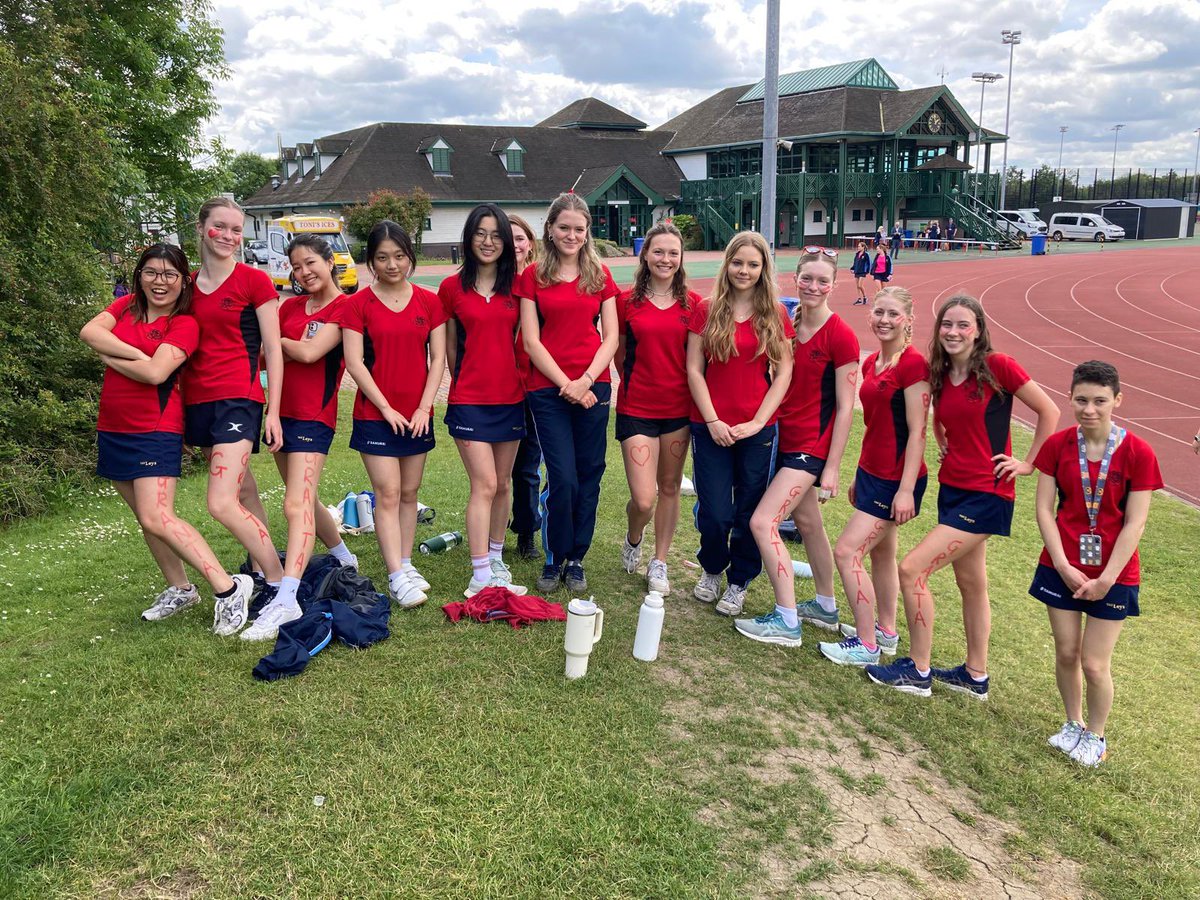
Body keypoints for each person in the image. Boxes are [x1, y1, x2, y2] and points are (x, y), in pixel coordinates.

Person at [866, 295, 1059, 699]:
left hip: (986, 494)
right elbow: (935, 418)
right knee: (971, 583)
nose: (953, 332)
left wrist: (1028, 463)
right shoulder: (939, 372)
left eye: (962, 325)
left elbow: (1050, 411)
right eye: (946, 325)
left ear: (978, 329)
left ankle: (917, 670)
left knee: (912, 569)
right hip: (953, 488)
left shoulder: (997, 366)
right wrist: (942, 441)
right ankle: (975, 675)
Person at [80, 244, 254, 627]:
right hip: (113, 425)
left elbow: (159, 375)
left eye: (169, 275)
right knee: (145, 519)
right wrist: (141, 357)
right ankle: (181, 589)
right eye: (151, 273)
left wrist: (113, 357)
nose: (160, 282)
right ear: (139, 275)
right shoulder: (124, 306)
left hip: (154, 428)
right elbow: (89, 331)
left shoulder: (185, 323)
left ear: (182, 280)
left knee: (157, 515)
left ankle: (228, 589)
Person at [1031, 361, 1161, 767]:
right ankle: (1072, 723)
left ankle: (1097, 736)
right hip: (1061, 566)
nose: (1090, 409)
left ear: (1117, 401)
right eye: (1082, 400)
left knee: (1094, 662)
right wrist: (1063, 564)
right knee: (1067, 652)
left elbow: (1136, 522)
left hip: (1115, 575)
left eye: (1100, 401)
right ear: (1070, 398)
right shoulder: (1057, 446)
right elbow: (1044, 511)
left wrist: (1106, 578)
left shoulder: (1138, 452)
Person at [733, 247, 857, 639]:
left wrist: (832, 466)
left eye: (823, 281)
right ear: (796, 278)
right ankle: (824, 604)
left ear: (834, 285)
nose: (814, 286)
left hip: (810, 448)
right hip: (783, 438)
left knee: (762, 521)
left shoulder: (841, 336)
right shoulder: (787, 321)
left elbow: (846, 405)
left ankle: (786, 619)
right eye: (807, 278)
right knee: (807, 523)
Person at [241, 234, 357, 641]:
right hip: (280, 415)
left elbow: (311, 353)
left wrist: (280, 345)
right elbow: (261, 353)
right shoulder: (288, 306)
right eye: (295, 266)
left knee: (295, 503)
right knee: (304, 498)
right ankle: (344, 557)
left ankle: (286, 597)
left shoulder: (346, 307)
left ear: (330, 261)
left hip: (313, 416)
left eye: (310, 262)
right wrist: (280, 347)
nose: (304, 272)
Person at [182, 197, 284, 634]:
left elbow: (274, 351)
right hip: (199, 404)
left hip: (238, 400)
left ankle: (281, 584)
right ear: (201, 228)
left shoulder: (254, 281)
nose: (228, 237)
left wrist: (273, 410)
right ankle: (264, 572)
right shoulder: (185, 285)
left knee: (220, 502)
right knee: (243, 492)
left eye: (236, 230)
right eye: (219, 227)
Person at [818, 287, 930, 665]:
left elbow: (917, 432)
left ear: (908, 320)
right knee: (883, 555)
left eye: (893, 314)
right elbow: (875, 426)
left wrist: (905, 490)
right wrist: (858, 476)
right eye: (879, 312)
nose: (884, 320)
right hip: (872, 473)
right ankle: (886, 631)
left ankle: (866, 645)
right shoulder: (873, 364)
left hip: (896, 480)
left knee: (847, 551)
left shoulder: (914, 365)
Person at [516, 193, 620, 594]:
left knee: (589, 475)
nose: (571, 235)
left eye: (579, 228)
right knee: (562, 478)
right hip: (549, 390)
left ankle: (576, 558)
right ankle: (552, 556)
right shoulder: (533, 277)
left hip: (594, 388)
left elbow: (610, 337)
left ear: (587, 231)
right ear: (551, 228)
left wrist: (587, 381)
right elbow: (531, 341)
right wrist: (567, 385)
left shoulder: (600, 275)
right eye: (564, 227)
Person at [342, 220, 447, 609]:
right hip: (375, 414)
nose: (392, 265)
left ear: (410, 257)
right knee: (386, 492)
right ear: (370, 261)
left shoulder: (429, 300)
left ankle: (405, 562)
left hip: (416, 414)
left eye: (399, 256)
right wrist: (385, 408)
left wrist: (423, 407)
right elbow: (355, 362)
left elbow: (437, 360)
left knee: (408, 493)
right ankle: (395, 575)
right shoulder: (358, 305)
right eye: (383, 257)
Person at [687, 231, 794, 614]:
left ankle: (739, 581)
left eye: (753, 264)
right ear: (726, 264)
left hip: (757, 431)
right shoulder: (706, 308)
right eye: (737, 262)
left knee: (749, 511)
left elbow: (783, 374)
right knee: (715, 512)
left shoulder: (775, 314)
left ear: (764, 268)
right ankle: (712, 569)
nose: (744, 271)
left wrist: (757, 422)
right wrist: (713, 419)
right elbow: (694, 370)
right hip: (710, 427)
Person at [439, 204, 528, 598]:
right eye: (480, 233)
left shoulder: (520, 287)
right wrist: (469, 381)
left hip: (511, 399)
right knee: (485, 483)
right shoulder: (450, 288)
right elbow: (451, 350)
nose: (488, 241)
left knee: (504, 483)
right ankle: (479, 575)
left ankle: (495, 559)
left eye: (496, 235)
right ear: (469, 238)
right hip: (469, 400)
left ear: (506, 242)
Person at [615, 221, 700, 596]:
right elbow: (618, 355)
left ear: (681, 259)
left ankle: (660, 561)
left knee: (669, 487)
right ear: (645, 254)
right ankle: (634, 537)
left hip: (678, 411)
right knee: (644, 498)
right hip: (637, 408)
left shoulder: (694, 305)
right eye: (659, 251)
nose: (665, 259)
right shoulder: (626, 302)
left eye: (673, 253)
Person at [507, 213, 543, 560]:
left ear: (530, 243)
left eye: (520, 238)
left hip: (534, 385)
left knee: (528, 465)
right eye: (508, 237)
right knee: (502, 469)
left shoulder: (539, 282)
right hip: (498, 388)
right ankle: (503, 521)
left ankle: (527, 530)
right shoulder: (491, 285)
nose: (515, 244)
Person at [850, 241, 871, 305]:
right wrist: (852, 268)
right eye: (858, 246)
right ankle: (859, 298)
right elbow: (855, 262)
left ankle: (865, 297)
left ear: (863, 247)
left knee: (860, 285)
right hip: (857, 271)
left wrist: (867, 271)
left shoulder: (866, 254)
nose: (858, 247)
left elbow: (869, 263)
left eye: (859, 246)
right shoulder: (857, 254)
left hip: (862, 271)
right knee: (857, 286)